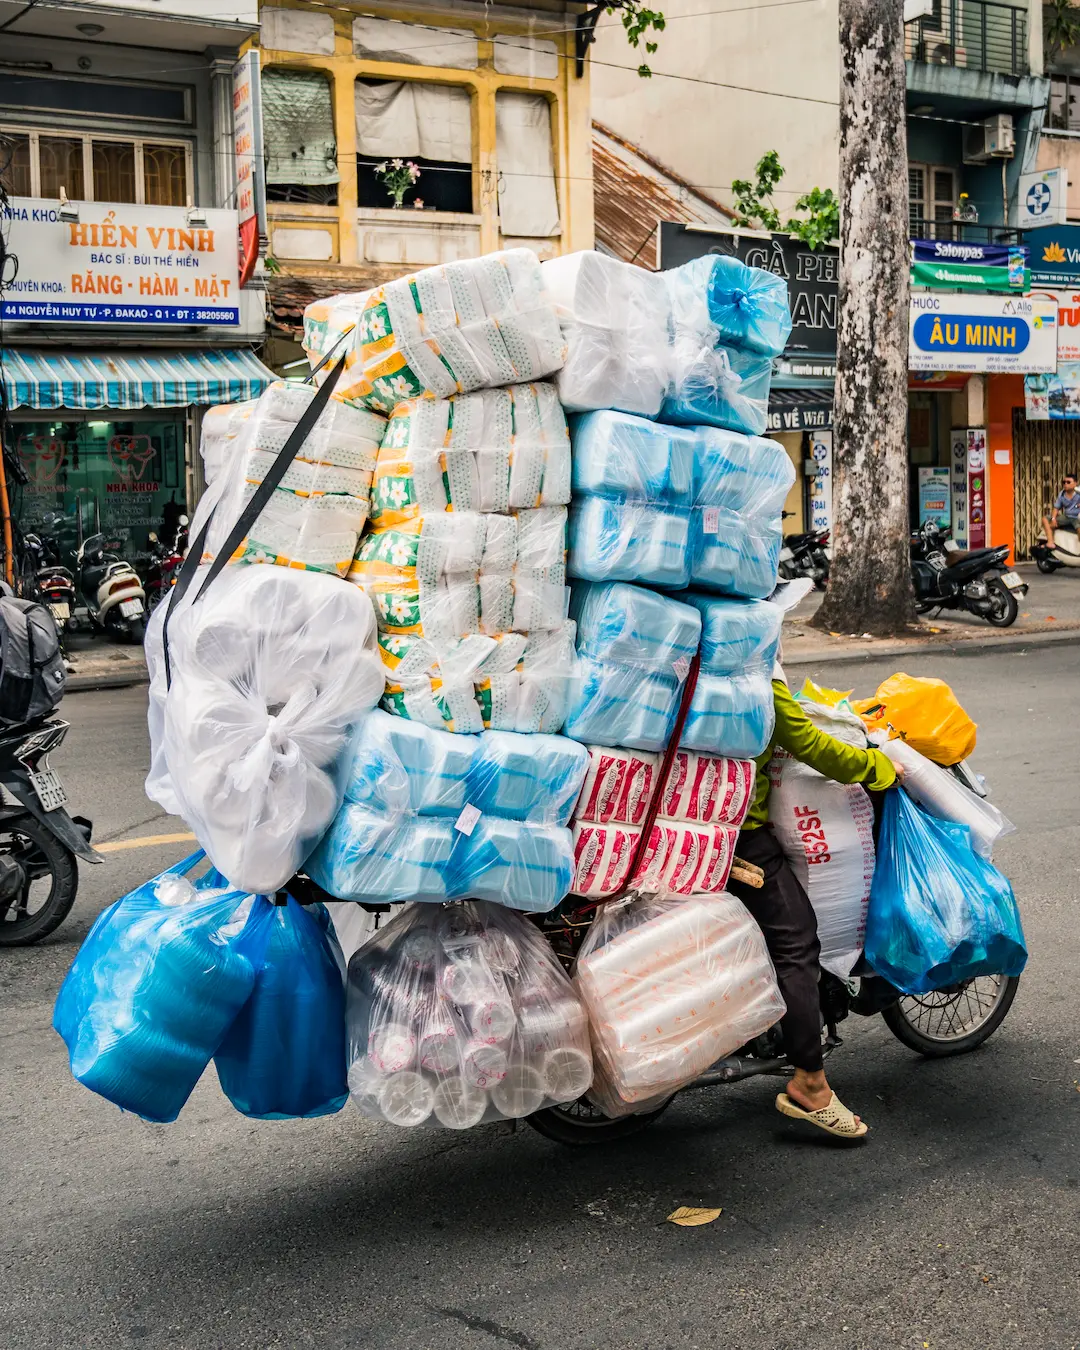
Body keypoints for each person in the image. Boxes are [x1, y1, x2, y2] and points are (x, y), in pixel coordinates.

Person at [726, 668, 900, 1142]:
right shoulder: (748, 662)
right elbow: (805, 739)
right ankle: (810, 1083)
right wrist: (877, 768)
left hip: (674, 821)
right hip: (737, 834)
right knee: (796, 942)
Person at [1042, 472, 1080, 548]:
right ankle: (1050, 542)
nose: (1065, 484)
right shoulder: (1062, 494)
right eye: (1064, 482)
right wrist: (1053, 519)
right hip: (1067, 517)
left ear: (1075, 483)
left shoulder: (1078, 492)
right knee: (1045, 519)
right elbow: (1056, 508)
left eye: (1068, 482)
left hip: (1077, 518)